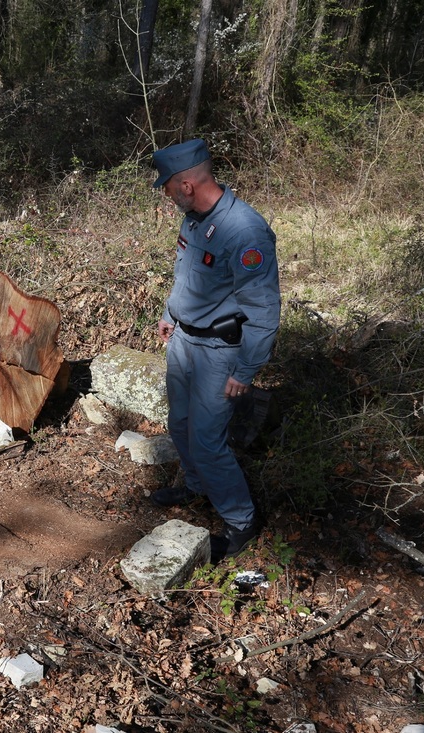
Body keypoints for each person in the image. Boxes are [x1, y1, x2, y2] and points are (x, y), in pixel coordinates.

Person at [150, 139, 281, 561]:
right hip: (183, 340)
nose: (167, 195)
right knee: (180, 423)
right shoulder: (193, 219)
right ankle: (195, 486)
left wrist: (245, 371)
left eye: (168, 187)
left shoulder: (245, 231)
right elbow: (186, 272)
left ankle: (241, 521)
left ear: (187, 184)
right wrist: (171, 312)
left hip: (219, 351)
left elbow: (263, 311)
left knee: (208, 442)